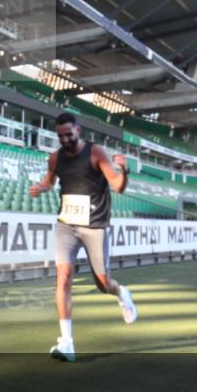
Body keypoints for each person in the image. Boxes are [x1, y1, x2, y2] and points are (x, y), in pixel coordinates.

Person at [29, 112, 137, 362]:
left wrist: (125, 170)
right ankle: (66, 343)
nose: (65, 139)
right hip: (66, 225)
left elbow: (118, 185)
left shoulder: (96, 152)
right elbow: (49, 181)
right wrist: (41, 187)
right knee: (63, 278)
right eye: (60, 135)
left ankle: (120, 293)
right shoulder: (55, 158)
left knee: (102, 284)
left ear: (78, 130)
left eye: (69, 134)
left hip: (94, 226)